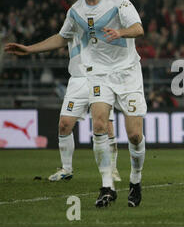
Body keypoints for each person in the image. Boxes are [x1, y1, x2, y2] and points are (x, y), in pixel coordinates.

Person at [7, 0, 146, 207]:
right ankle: (107, 186)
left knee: (134, 135)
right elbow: (62, 38)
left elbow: (138, 28)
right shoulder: (76, 10)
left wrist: (120, 33)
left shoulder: (118, 2)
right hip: (98, 75)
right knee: (100, 125)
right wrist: (29, 49)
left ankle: (135, 181)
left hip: (127, 73)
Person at [4, 36, 121, 183]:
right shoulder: (73, 17)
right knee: (64, 124)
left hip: (101, 77)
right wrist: (29, 49)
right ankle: (66, 169)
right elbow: (59, 38)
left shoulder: (102, 17)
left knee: (105, 125)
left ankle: (112, 169)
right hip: (77, 80)